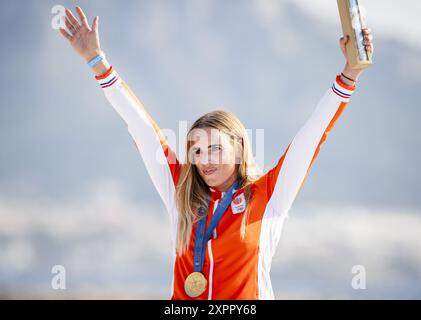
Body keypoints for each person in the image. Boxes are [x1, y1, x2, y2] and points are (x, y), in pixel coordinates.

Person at [58, 6, 374, 300]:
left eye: (214, 149)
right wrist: (96, 60)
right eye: (196, 150)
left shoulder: (267, 195)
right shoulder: (180, 192)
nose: (204, 159)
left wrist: (349, 74)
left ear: (238, 148)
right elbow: (139, 126)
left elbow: (312, 137)